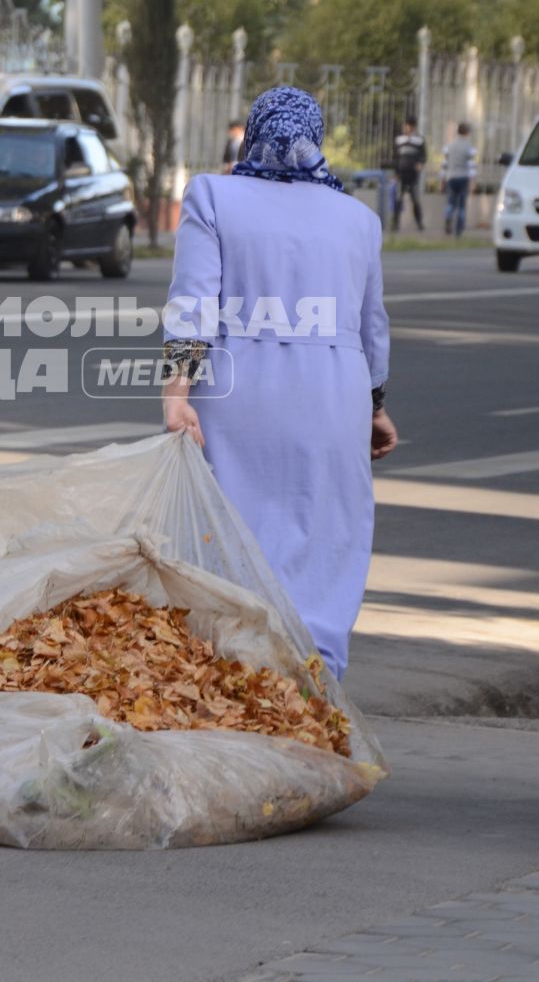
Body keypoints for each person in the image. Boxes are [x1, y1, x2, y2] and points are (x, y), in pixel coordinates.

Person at [160, 87, 397, 678]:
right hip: (333, 399)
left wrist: (176, 393)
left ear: (253, 134)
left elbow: (193, 302)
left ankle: (236, 682)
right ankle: (316, 689)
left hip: (238, 396)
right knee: (324, 537)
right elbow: (372, 329)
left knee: (235, 535)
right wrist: (375, 408)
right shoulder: (359, 220)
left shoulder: (214, 195)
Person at [441, 122, 477, 236]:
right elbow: (471, 166)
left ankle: (448, 220)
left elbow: (445, 164)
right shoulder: (469, 147)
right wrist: (472, 181)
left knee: (450, 203)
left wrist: (442, 179)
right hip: (463, 177)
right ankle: (459, 230)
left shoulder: (449, 146)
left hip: (451, 177)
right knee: (462, 205)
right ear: (467, 132)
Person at [391, 117, 427, 232]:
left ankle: (419, 223)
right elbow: (395, 158)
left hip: (413, 175)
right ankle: (395, 224)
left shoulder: (419, 140)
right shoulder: (399, 140)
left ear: (412, 127)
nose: (405, 128)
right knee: (398, 199)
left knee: (415, 199)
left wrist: (420, 163)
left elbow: (424, 155)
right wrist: (396, 173)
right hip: (401, 174)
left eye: (407, 125)